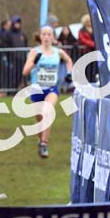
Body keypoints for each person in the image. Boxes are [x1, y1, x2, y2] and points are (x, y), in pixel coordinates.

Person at [22, 25, 73, 159]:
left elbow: (69, 61)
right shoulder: (34, 51)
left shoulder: (58, 52)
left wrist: (69, 73)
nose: (46, 37)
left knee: (47, 111)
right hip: (36, 89)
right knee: (40, 120)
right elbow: (25, 71)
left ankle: (44, 144)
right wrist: (34, 62)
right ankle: (40, 140)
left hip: (51, 88)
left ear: (53, 37)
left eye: (49, 34)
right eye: (44, 34)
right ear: (40, 36)